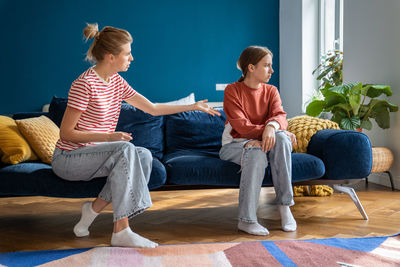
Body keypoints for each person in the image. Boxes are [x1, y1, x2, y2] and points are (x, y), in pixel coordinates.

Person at [51, 23, 220, 248]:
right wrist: (109, 138)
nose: (132, 58)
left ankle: (92, 211)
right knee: (126, 149)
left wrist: (193, 106)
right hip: (69, 159)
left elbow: (152, 108)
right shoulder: (85, 84)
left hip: (95, 155)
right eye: (128, 54)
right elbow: (67, 133)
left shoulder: (117, 82)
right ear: (111, 57)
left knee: (143, 156)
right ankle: (122, 230)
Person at [219, 46, 297, 236]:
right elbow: (242, 127)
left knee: (281, 139)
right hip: (234, 145)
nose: (272, 70)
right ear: (251, 67)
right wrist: (270, 132)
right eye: (267, 66)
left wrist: (272, 128)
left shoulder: (271, 91)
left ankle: (285, 207)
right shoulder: (232, 90)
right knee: (257, 152)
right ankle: (247, 220)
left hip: (264, 144)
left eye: (272, 66)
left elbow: (281, 117)